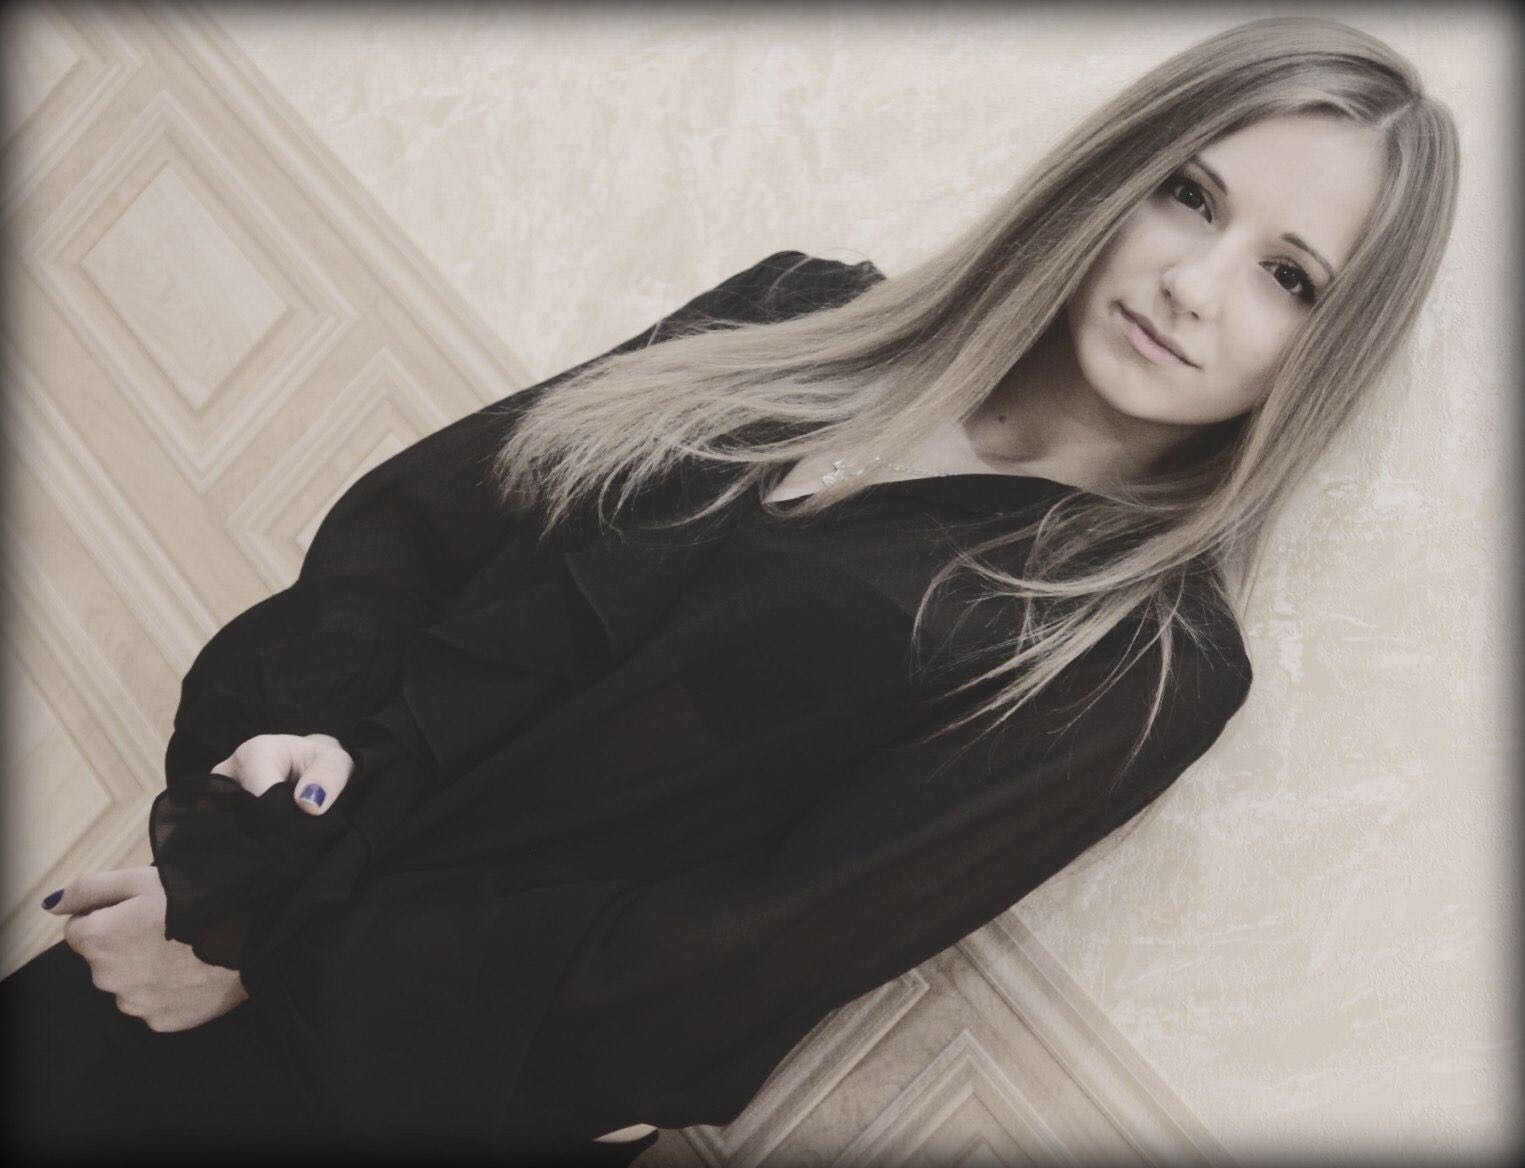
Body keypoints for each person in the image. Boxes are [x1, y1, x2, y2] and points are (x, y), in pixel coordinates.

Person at [2, 14, 1458, 1165]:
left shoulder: (1133, 659)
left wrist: (270, 946)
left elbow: (710, 964)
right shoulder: (795, 312)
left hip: (412, 1079)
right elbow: (410, 533)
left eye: (1288, 277)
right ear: (1112, 176)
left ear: (1324, 349)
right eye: (1189, 195)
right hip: (216, 909)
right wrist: (237, 867)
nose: (1196, 283)